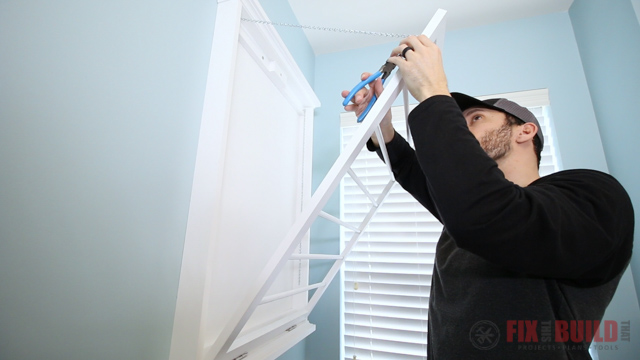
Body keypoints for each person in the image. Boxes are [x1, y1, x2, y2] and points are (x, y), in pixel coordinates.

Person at [342, 35, 634, 359]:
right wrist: (382, 131)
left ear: (525, 130)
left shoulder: (594, 195)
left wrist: (433, 94)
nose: (462, 129)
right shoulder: (466, 206)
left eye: (476, 119)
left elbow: (491, 212)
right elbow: (420, 174)